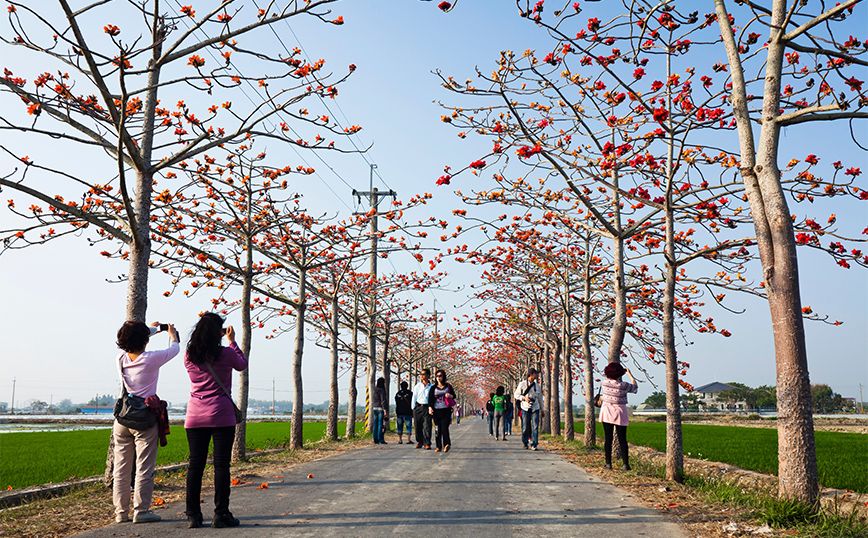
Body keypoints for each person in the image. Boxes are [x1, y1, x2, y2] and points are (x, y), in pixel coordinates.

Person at [184, 313, 248, 529]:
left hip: (194, 416)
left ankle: (193, 514)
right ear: (218, 333)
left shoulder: (189, 356)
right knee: (221, 466)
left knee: (195, 465)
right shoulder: (227, 353)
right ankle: (221, 514)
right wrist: (232, 341)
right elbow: (242, 365)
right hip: (221, 414)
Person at [112, 320, 180, 524]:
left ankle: (120, 513)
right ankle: (141, 511)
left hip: (123, 418)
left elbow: (135, 341)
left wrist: (152, 329)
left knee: (121, 468)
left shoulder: (121, 358)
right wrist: (172, 333)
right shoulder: (152, 358)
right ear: (144, 341)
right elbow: (175, 348)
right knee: (144, 468)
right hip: (144, 419)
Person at [600, 362, 638, 471]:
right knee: (622, 439)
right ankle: (625, 464)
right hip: (620, 412)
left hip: (607, 411)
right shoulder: (624, 385)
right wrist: (630, 375)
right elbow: (635, 388)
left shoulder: (604, 383)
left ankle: (608, 464)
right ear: (620, 373)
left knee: (608, 438)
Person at [427, 369, 456, 452]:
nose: (438, 378)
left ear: (443, 377)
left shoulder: (448, 386)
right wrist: (430, 408)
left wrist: (450, 395)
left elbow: (454, 395)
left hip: (446, 410)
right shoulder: (433, 388)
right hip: (436, 411)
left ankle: (447, 444)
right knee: (437, 429)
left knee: (444, 428)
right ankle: (438, 446)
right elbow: (430, 399)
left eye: (440, 376)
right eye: (437, 376)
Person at [514, 368, 542, 450]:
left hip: (535, 408)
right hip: (525, 408)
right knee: (525, 427)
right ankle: (525, 442)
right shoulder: (522, 384)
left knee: (535, 427)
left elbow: (540, 398)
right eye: (535, 374)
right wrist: (524, 398)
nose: (537, 375)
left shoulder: (537, 386)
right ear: (531, 374)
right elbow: (516, 395)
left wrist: (542, 409)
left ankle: (534, 444)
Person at [412, 368, 433, 449]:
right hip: (418, 408)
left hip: (427, 408)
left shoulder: (432, 387)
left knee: (427, 426)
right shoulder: (418, 386)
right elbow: (414, 397)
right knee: (418, 426)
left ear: (428, 375)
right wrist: (413, 408)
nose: (422, 376)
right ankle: (420, 441)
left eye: (423, 374)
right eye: (421, 374)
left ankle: (427, 443)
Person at [371, 377, 388, 445]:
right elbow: (383, 400)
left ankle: (375, 440)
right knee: (380, 425)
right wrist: (385, 410)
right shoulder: (381, 390)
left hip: (374, 408)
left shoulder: (374, 389)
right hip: (380, 408)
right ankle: (380, 439)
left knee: (375, 424)